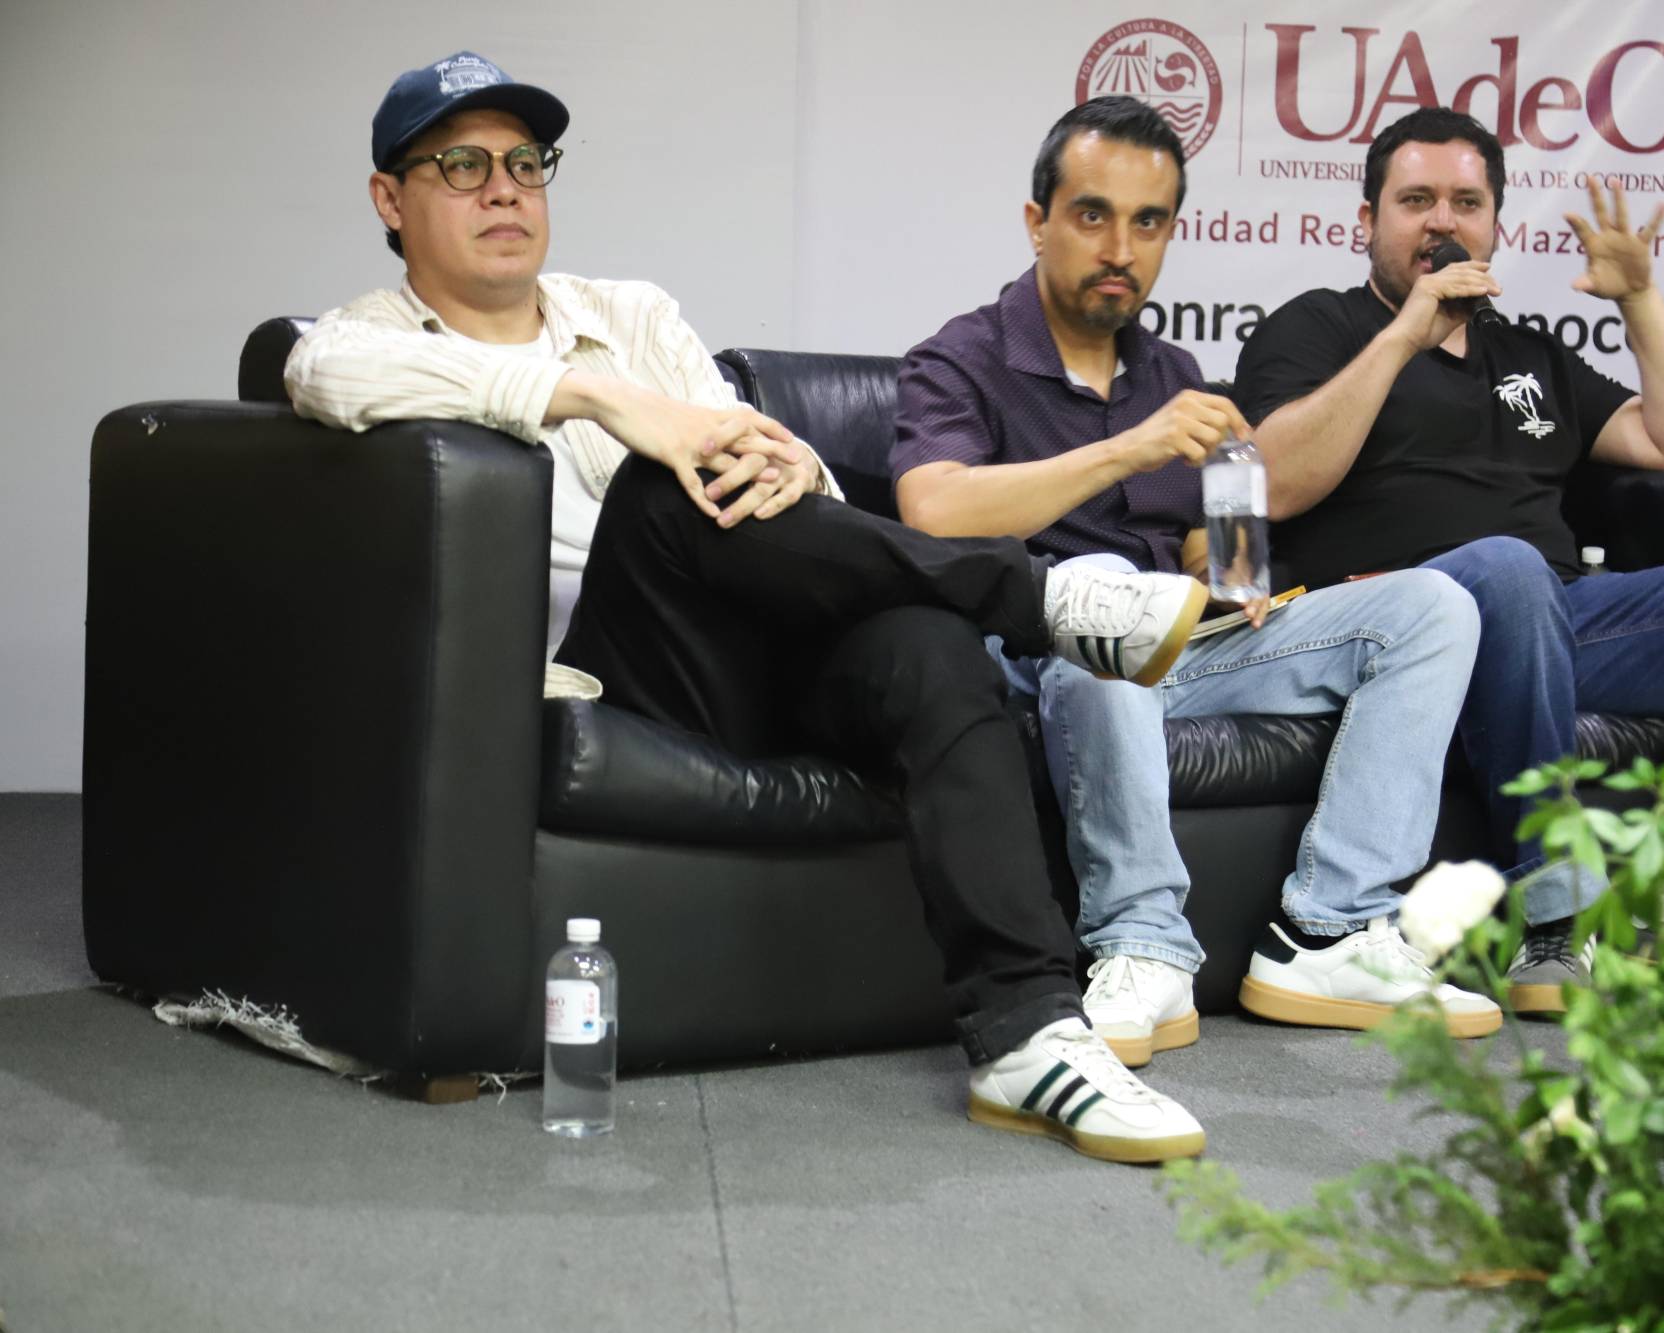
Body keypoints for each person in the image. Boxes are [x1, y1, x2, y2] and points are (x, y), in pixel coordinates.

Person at [283, 50, 1213, 1163]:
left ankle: (1027, 1030)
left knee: (923, 644)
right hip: (611, 667)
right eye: (464, 166)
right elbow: (318, 376)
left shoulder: (631, 310)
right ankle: (1041, 595)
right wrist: (602, 398)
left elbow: (768, 469)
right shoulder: (364, 338)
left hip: (755, 641)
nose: (504, 190)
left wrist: (792, 474)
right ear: (392, 199)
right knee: (658, 482)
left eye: (526, 164)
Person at [891, 97, 1496, 1062]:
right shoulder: (960, 358)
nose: (1120, 247)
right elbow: (933, 508)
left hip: (1188, 649)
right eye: (1092, 215)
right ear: (1037, 220)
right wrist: (1128, 451)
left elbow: (1203, 543)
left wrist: (1224, 567)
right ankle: (1144, 943)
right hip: (1043, 648)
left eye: (1150, 221)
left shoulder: (1174, 368)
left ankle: (1333, 931)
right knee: (1101, 601)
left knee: (1433, 606)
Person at [1233, 106, 1664, 1010]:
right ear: (1365, 222)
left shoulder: (1530, 355)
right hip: (1404, 622)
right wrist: (1406, 333)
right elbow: (1274, 485)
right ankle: (1551, 918)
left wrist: (1640, 299)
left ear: (1495, 225)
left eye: (1465, 201)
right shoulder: (1317, 330)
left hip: (1558, 621)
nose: (1442, 220)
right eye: (1415, 200)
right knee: (1503, 565)